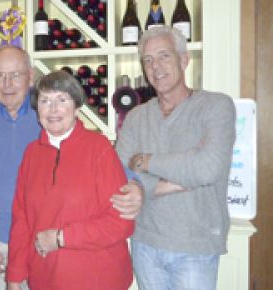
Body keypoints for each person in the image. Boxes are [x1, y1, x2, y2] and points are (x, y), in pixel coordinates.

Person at [0, 45, 143, 290]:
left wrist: (136, 185)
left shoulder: (50, 117)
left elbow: (103, 161)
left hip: (52, 250)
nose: (7, 83)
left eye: (15, 74)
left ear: (30, 76)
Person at [115, 26, 236, 290]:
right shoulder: (136, 116)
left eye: (163, 56)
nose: (155, 66)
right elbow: (118, 173)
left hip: (195, 246)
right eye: (147, 60)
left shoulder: (217, 106)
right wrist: (167, 184)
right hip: (144, 243)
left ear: (183, 60)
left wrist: (144, 161)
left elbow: (206, 168)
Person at [6, 70, 134, 290]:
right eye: (45, 101)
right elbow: (22, 220)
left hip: (99, 280)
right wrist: (14, 277)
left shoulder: (99, 149)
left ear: (76, 107)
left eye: (62, 100)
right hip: (45, 280)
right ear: (38, 110)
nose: (53, 109)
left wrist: (61, 238)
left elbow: (121, 223)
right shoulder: (31, 154)